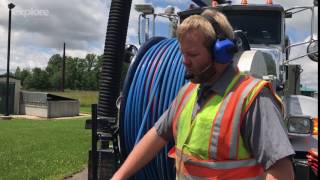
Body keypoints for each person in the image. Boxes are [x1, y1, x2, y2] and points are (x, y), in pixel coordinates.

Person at [112, 9, 295, 180]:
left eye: (192, 54)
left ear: (220, 53)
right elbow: (157, 135)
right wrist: (118, 177)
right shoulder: (187, 94)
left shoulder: (253, 98)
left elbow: (282, 171)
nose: (184, 62)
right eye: (182, 53)